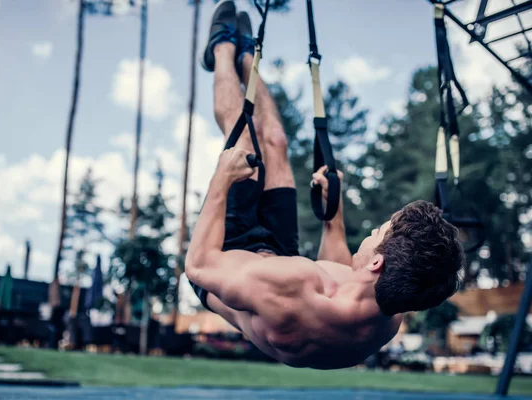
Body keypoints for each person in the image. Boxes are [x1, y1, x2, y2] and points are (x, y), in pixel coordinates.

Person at [186, 0, 464, 370]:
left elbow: (199, 266)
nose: (372, 233)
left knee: (245, 139)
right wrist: (334, 214)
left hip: (225, 256)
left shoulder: (291, 287)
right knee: (277, 143)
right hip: (276, 261)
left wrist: (221, 179)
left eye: (379, 231)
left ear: (377, 260)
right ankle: (248, 60)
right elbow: (343, 274)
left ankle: (222, 49)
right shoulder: (387, 313)